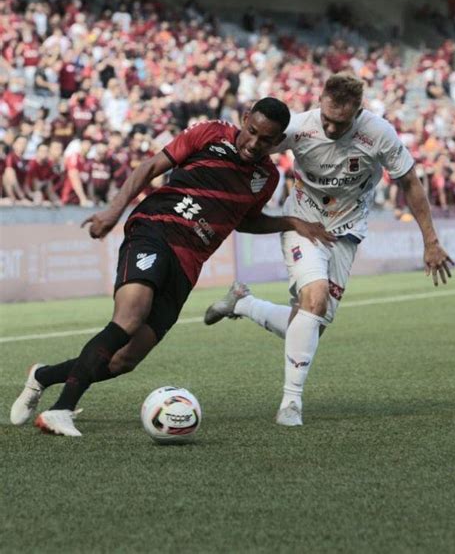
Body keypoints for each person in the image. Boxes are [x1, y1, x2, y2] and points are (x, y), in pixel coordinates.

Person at [10, 98, 335, 437]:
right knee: (130, 317)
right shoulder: (210, 133)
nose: (254, 143)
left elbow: (244, 221)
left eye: (266, 139)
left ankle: (42, 377)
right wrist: (112, 212)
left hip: (189, 263)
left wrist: (292, 223)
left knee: (124, 360)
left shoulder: (265, 178)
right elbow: (149, 167)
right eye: (251, 132)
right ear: (244, 119)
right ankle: (61, 410)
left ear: (278, 139)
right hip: (154, 230)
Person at [203, 74, 454, 427]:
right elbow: (250, 146)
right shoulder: (300, 127)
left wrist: (430, 240)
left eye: (342, 122)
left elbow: (410, 182)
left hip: (346, 233)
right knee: (315, 298)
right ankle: (291, 404)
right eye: (327, 119)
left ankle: (243, 303)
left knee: (309, 325)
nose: (332, 128)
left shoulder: (378, 134)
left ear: (359, 111)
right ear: (319, 101)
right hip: (302, 222)